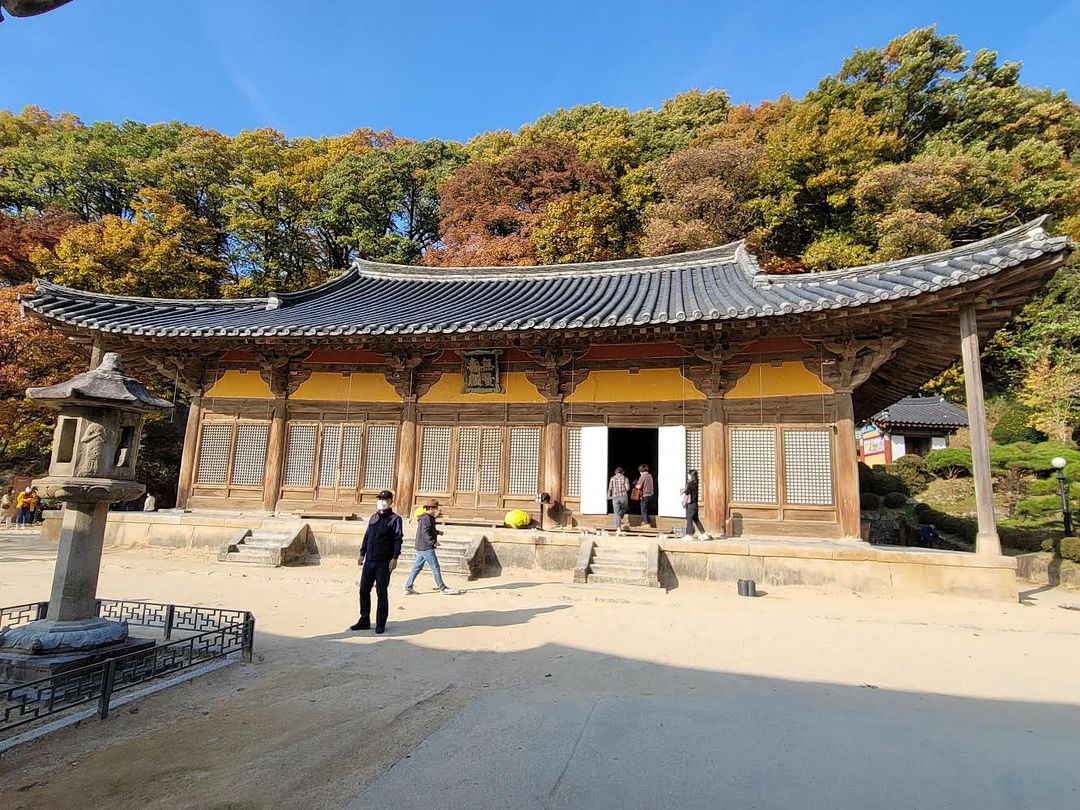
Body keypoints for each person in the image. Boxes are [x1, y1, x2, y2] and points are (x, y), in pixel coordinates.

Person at [350, 490, 403, 634]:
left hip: (384, 562)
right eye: (380, 498)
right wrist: (362, 553)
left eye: (385, 499)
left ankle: (381, 622)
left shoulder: (395, 519)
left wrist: (395, 557)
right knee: (363, 590)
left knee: (381, 592)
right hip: (369, 561)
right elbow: (367, 536)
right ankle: (364, 619)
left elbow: (398, 539)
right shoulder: (373, 517)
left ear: (391, 501)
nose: (382, 501)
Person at [404, 499, 462, 595]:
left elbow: (428, 530)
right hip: (426, 547)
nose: (437, 510)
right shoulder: (427, 518)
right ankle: (442, 588)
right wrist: (432, 542)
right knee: (435, 567)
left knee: (417, 567)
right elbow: (425, 532)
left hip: (420, 546)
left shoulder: (426, 518)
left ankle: (408, 587)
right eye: (436, 508)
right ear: (431, 508)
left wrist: (437, 532)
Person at [680, 470, 710, 541]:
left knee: (689, 519)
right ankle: (703, 534)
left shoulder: (690, 483)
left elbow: (687, 492)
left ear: (691, 476)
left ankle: (689, 535)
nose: (688, 476)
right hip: (695, 504)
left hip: (691, 504)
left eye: (689, 474)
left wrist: (684, 489)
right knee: (696, 519)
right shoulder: (696, 482)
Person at [607, 467, 630, 535]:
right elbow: (628, 488)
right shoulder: (625, 478)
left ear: (615, 472)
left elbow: (610, 488)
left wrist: (608, 496)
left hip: (615, 497)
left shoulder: (612, 478)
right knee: (625, 508)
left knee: (616, 513)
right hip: (623, 496)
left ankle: (618, 529)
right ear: (622, 472)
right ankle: (620, 515)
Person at [634, 464, 655, 529]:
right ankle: (646, 521)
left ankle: (647, 524)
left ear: (641, 471)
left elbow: (639, 486)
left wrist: (635, 485)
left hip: (645, 495)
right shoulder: (650, 475)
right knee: (646, 509)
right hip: (650, 494)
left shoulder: (643, 477)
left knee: (643, 510)